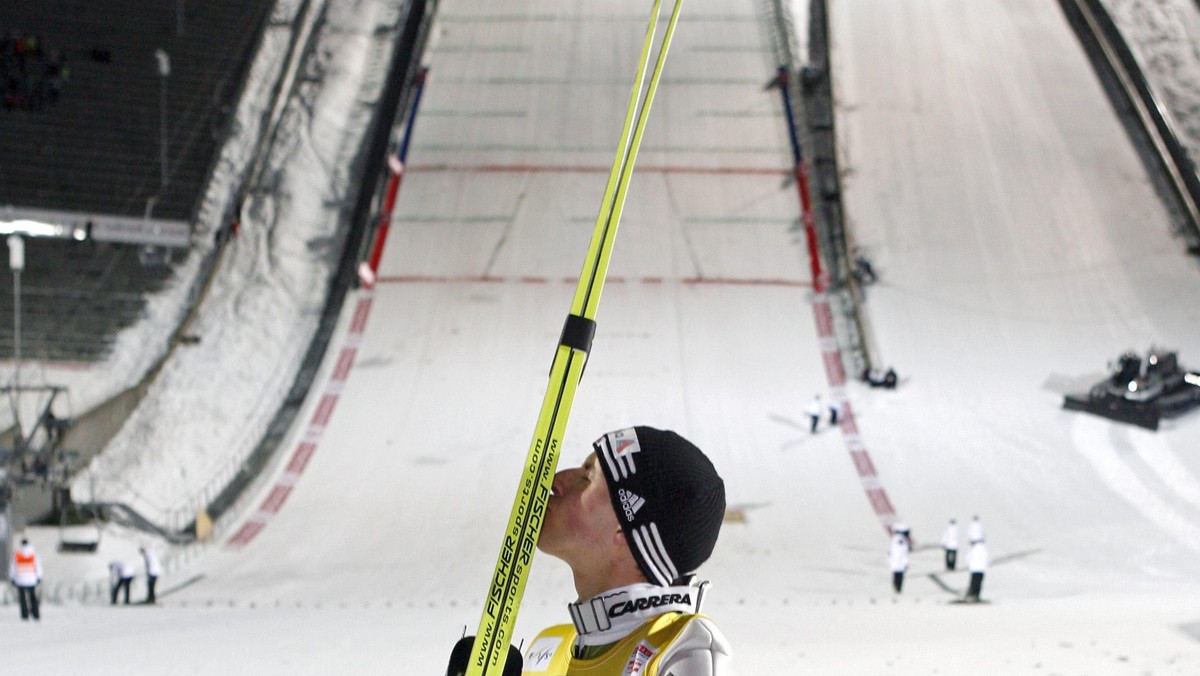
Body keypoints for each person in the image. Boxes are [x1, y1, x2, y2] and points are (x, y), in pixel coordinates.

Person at [519, 426, 731, 674]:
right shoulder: (546, 649)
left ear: (624, 531)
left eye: (587, 477)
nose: (556, 481)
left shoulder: (684, 649)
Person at [10, 537, 42, 620]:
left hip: (20, 579)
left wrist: (12, 577)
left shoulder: (17, 554)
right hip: (31, 579)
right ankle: (36, 614)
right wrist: (39, 576)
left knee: (23, 599)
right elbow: (38, 565)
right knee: (33, 597)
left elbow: (13, 567)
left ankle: (24, 615)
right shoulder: (33, 553)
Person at [965, 538, 988, 602]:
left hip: (974, 568)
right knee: (979, 583)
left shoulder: (973, 549)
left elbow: (968, 558)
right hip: (981, 569)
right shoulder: (983, 549)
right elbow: (986, 558)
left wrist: (968, 565)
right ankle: (976, 595)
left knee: (973, 582)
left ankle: (972, 594)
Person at [888, 527, 909, 593]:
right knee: (899, 576)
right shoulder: (901, 539)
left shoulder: (896, 538)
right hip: (899, 561)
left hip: (897, 561)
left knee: (897, 575)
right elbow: (904, 551)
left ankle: (897, 588)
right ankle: (898, 588)